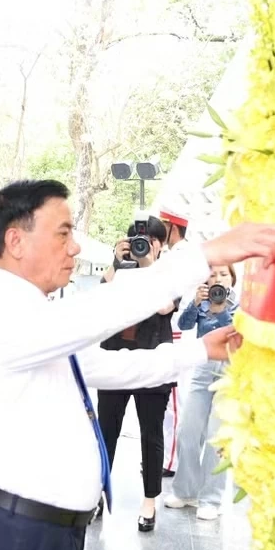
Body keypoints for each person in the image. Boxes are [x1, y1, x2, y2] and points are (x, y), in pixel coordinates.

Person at [0, 179, 275, 550]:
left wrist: (201, 350)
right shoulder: (1, 314)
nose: (75, 247)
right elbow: (103, 309)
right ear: (16, 241)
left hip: (44, 536)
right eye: (63, 233)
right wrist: (205, 256)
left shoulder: (34, 315)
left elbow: (108, 366)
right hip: (19, 536)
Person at [96, 216, 177, 532]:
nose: (142, 246)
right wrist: (118, 262)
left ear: (160, 245)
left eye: (149, 242)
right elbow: (101, 298)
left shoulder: (169, 273)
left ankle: (149, 501)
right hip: (115, 360)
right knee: (106, 431)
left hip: (151, 363)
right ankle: (98, 494)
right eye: (136, 241)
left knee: (151, 433)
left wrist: (148, 266)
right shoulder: (121, 269)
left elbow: (165, 308)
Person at [165, 263, 238, 521]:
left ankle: (211, 499)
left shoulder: (239, 305)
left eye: (224, 274)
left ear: (232, 278)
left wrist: (221, 310)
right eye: (213, 274)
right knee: (188, 431)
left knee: (216, 437)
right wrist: (196, 304)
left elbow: (234, 331)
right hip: (202, 368)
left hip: (230, 371)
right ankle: (185, 491)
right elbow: (184, 325)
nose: (218, 278)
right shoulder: (202, 299)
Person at [159, 205, 193, 476]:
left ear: (173, 227)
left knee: (173, 401)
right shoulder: (174, 255)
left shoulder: (181, 256)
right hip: (170, 332)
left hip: (176, 332)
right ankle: (167, 457)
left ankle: (170, 461)